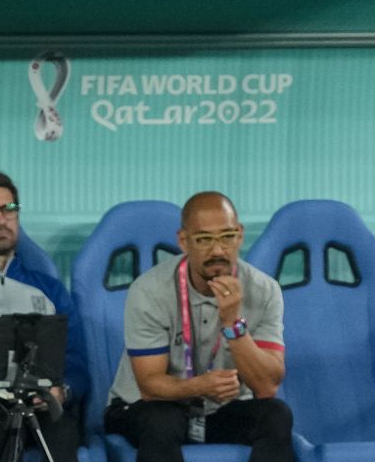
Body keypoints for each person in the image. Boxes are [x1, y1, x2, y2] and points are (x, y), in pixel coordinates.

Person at [104, 191, 294, 462]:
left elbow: (266, 387)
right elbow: (149, 386)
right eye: (204, 239)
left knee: (276, 415)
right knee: (161, 419)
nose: (217, 250)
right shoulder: (149, 290)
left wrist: (233, 324)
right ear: (183, 241)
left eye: (227, 237)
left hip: (219, 411)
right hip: (144, 407)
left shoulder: (264, 290)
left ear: (240, 235)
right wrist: (200, 386)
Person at [0, 171, 85, 462]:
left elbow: (76, 359)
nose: (1, 219)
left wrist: (61, 391)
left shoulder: (50, 289)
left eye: (9, 209)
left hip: (40, 403)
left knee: (63, 431)